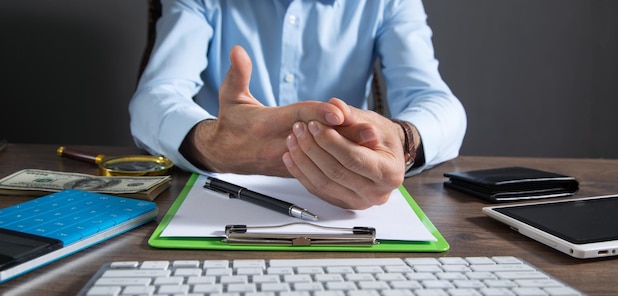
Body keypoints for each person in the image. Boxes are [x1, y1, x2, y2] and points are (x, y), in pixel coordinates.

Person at [130, 0, 466, 210]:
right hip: (219, 190)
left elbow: (438, 101)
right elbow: (155, 95)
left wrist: (402, 139)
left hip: (352, 199)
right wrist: (209, 143)